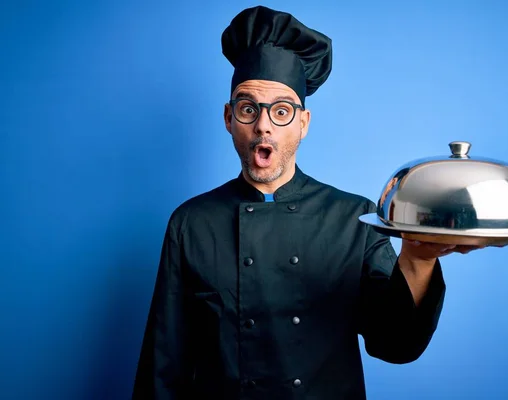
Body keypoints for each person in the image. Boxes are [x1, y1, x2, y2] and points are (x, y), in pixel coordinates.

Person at [132, 5, 483, 400]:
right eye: (248, 109)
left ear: (303, 123)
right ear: (229, 118)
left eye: (281, 111)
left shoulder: (356, 218)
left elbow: (395, 345)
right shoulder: (191, 223)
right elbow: (164, 365)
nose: (263, 124)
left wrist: (418, 257)